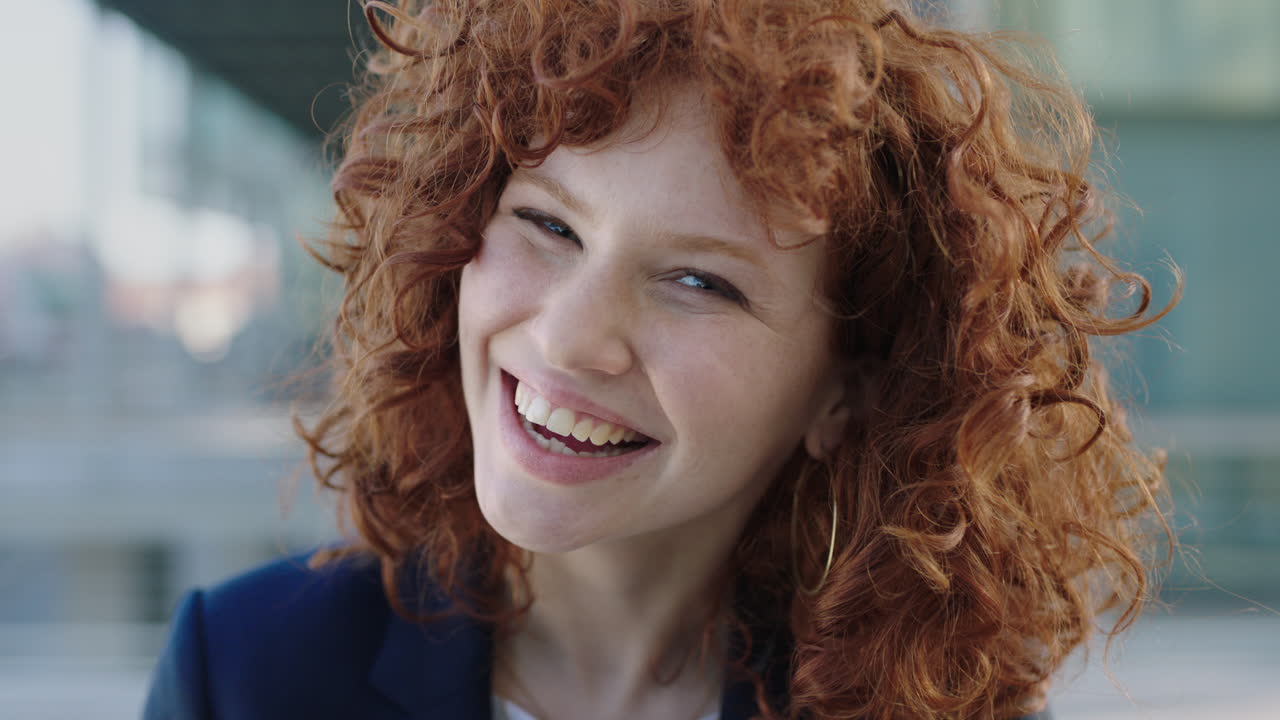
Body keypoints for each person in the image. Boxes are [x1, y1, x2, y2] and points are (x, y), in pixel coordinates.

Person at [143, 1, 1180, 718]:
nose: (566, 337)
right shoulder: (242, 674)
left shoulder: (951, 710)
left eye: (699, 282)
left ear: (849, 387)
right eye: (548, 225)